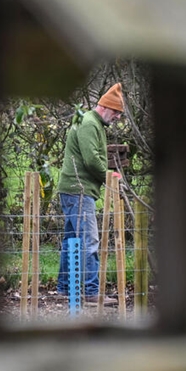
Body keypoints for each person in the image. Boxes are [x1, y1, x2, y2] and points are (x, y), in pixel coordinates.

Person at [55, 82, 125, 300]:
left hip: (72, 188)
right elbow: (91, 160)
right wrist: (109, 176)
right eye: (116, 112)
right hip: (79, 190)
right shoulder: (89, 123)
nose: (117, 118)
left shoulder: (90, 122)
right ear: (104, 107)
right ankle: (92, 292)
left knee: (71, 242)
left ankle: (64, 289)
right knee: (89, 240)